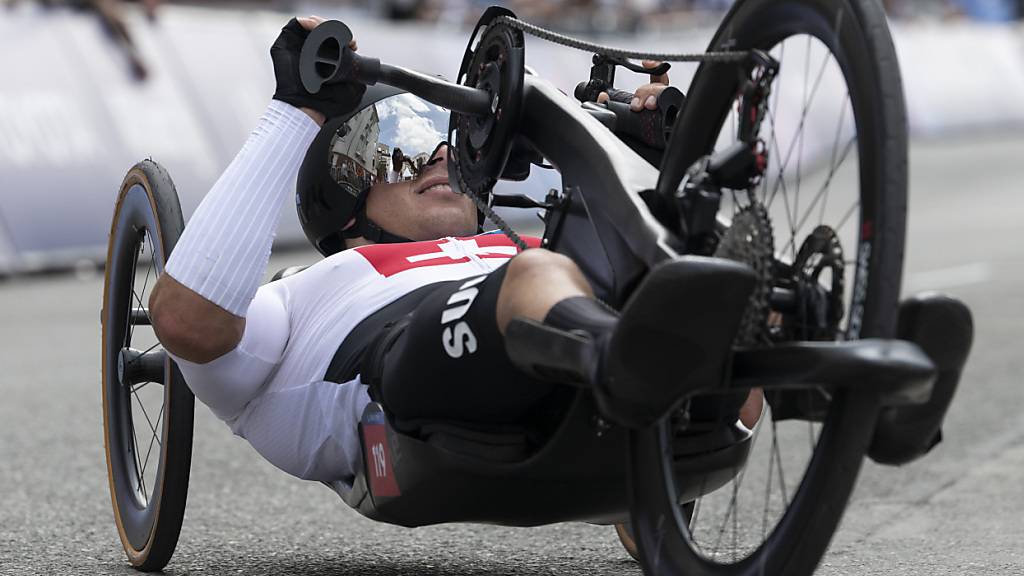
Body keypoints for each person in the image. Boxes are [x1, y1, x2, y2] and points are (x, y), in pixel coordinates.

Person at [148, 15, 760, 484]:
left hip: (562, 338)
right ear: (342, 191)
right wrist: (296, 111)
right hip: (404, 375)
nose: (440, 153)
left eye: (445, 139)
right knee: (537, 273)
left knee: (722, 276)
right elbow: (188, 322)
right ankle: (638, 362)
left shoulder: (526, 245)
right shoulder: (296, 301)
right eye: (399, 144)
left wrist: (654, 163)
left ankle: (817, 369)